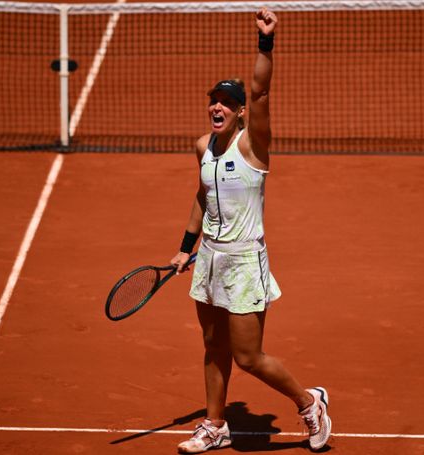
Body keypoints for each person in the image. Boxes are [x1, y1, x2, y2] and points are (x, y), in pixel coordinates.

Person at [169, 8, 331, 454]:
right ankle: (215, 424)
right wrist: (186, 248)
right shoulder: (203, 146)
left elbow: (260, 89)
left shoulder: (254, 145)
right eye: (212, 101)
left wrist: (266, 42)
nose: (215, 107)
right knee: (211, 345)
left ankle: (309, 402)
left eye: (225, 102)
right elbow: (203, 197)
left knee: (248, 357)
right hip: (209, 258)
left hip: (243, 260)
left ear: (240, 112)